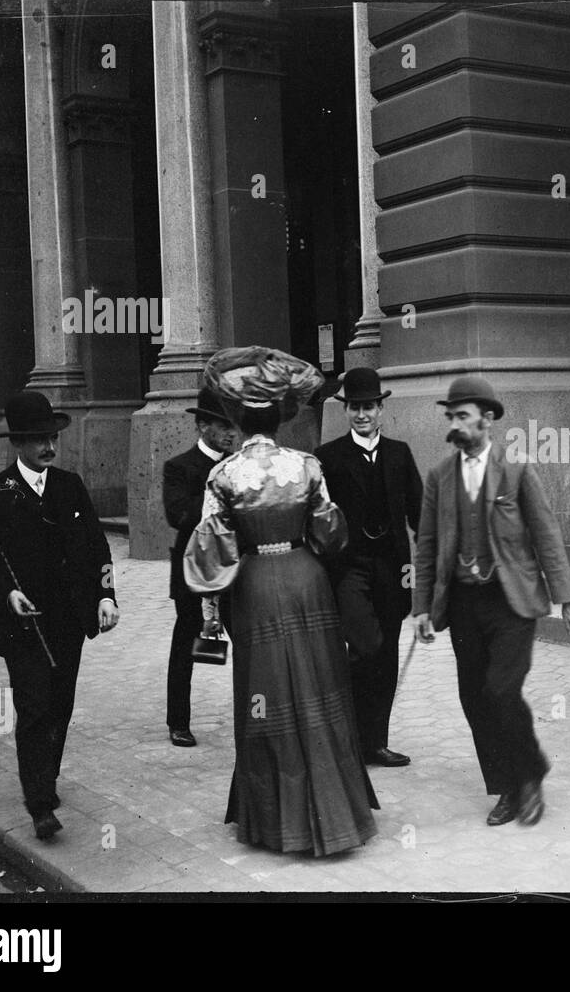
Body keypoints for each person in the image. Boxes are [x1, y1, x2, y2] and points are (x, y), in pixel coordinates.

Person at [184, 346, 378, 856]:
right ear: (280, 415)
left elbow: (211, 555)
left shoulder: (223, 475)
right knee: (320, 686)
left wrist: (210, 612)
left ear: (238, 419)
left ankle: (275, 822)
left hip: (256, 586)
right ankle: (335, 814)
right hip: (306, 579)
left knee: (265, 692)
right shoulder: (307, 465)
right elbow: (332, 534)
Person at [413, 376, 570, 827]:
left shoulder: (518, 470)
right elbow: (427, 546)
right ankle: (507, 787)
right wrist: (421, 608)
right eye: (450, 416)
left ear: (487, 420)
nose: (455, 424)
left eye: (463, 416)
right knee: (475, 698)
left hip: (512, 600)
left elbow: (547, 535)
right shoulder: (439, 477)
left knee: (501, 690)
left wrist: (567, 599)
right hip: (464, 604)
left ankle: (530, 773)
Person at [0, 391, 121, 840]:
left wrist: (106, 595)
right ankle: (39, 804)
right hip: (23, 625)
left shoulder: (70, 485)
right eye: (37, 440)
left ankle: (44, 778)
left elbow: (97, 547)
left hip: (69, 621)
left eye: (52, 438)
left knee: (61, 705)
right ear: (17, 444)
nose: (48, 448)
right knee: (33, 708)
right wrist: (7, 593)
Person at [314, 367, 423, 768]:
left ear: (381, 409)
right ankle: (347, 739)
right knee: (365, 646)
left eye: (369, 407)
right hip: (349, 568)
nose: (362, 414)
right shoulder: (328, 458)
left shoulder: (400, 453)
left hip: (393, 570)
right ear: (347, 411)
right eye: (355, 408)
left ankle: (374, 742)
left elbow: (419, 514)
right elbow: (319, 518)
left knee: (386, 655)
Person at [161, 388, 236, 747]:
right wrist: (218, 499)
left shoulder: (238, 465)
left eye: (233, 424)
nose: (230, 432)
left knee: (246, 640)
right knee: (186, 644)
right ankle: (178, 721)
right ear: (202, 424)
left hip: (235, 571)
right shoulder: (179, 467)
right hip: (193, 571)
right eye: (223, 424)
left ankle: (255, 713)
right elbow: (177, 515)